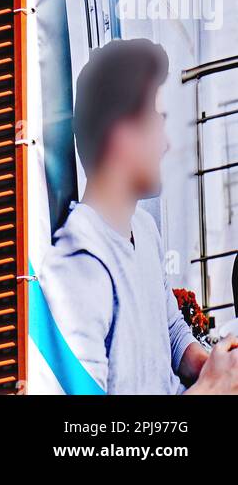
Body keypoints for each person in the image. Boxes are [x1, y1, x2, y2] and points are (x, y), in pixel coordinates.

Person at [40, 38, 238, 395]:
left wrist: (210, 364)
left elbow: (172, 333)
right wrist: (210, 389)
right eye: (157, 122)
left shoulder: (144, 229)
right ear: (122, 134)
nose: (165, 143)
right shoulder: (80, 264)